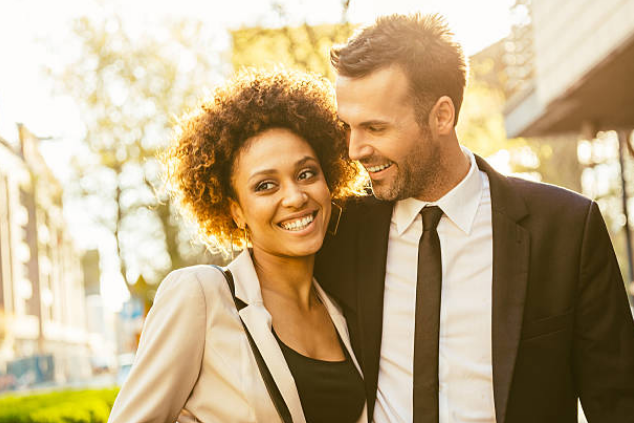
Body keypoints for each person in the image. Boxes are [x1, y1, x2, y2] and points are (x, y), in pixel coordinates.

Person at [315, 13, 634, 423]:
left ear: (442, 116)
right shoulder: (341, 229)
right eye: (349, 127)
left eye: (375, 128)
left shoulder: (567, 229)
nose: (356, 149)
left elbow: (619, 404)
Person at [108, 69, 368, 423]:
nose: (295, 196)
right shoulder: (201, 295)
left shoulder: (343, 309)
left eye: (306, 173)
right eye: (265, 186)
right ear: (234, 211)